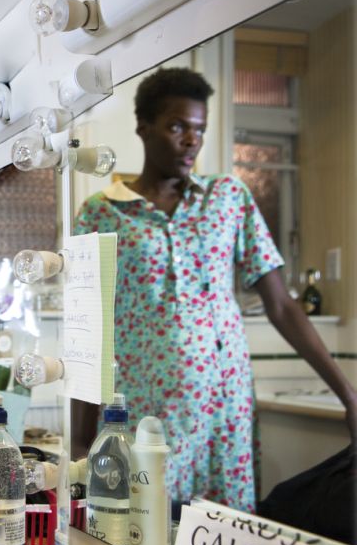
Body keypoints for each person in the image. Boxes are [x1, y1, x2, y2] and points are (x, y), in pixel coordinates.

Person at [73, 67, 356, 514]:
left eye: (200, 129)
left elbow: (282, 306)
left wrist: (349, 396)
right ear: (144, 127)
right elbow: (86, 334)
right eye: (177, 127)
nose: (192, 140)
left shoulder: (227, 198)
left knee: (223, 538)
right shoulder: (100, 214)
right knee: (144, 532)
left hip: (224, 413)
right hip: (145, 413)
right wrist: (79, 443)